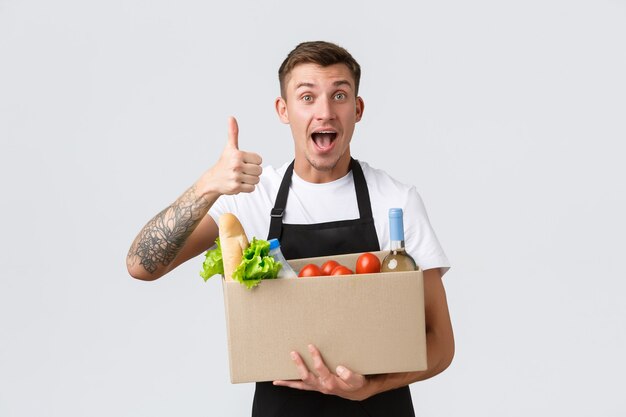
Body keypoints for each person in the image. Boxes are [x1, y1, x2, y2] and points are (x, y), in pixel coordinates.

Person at [127, 40, 454, 417]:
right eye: (307, 97)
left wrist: (369, 389)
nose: (325, 112)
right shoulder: (249, 198)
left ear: (358, 109)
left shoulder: (395, 201)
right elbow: (141, 265)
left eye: (340, 95)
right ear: (283, 110)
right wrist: (207, 186)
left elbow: (440, 343)